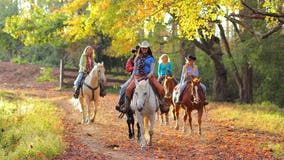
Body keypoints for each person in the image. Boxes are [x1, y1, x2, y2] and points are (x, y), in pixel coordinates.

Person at [119, 41, 165, 112]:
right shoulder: (137, 58)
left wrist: (149, 75)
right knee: (128, 89)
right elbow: (135, 69)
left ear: (148, 49)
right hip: (138, 77)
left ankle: (162, 104)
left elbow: (152, 70)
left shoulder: (151, 59)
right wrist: (132, 78)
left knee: (161, 89)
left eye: (146, 48)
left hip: (148, 76)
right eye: (143, 48)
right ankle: (126, 106)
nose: (144, 49)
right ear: (141, 48)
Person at [115, 45, 140, 111]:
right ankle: (121, 103)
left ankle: (160, 103)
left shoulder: (145, 59)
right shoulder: (131, 60)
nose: (138, 53)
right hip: (133, 76)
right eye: (137, 52)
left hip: (143, 76)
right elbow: (128, 68)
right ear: (135, 52)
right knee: (124, 87)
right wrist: (134, 68)